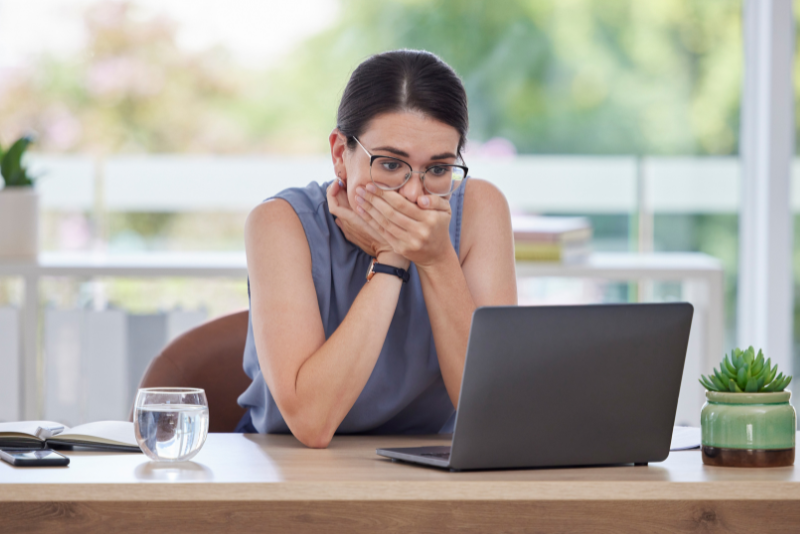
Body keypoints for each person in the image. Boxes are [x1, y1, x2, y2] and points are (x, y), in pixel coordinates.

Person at [236, 49, 517, 448]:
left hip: (430, 466)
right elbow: (313, 423)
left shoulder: (478, 210)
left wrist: (436, 259)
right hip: (288, 466)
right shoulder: (279, 223)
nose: (413, 193)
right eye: (389, 164)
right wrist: (391, 260)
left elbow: (497, 415)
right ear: (339, 154)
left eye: (437, 169)